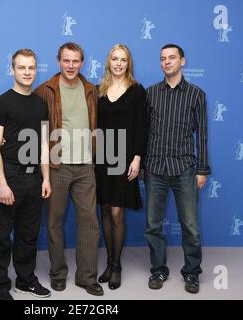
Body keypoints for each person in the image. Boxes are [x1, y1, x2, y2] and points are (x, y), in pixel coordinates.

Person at [35, 42, 103, 296]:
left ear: (82, 63)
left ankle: (87, 277)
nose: (71, 66)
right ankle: (58, 274)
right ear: (58, 61)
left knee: (89, 222)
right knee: (54, 222)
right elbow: (30, 121)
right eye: (66, 60)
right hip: (57, 165)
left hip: (86, 166)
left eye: (75, 61)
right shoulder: (45, 90)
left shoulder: (91, 90)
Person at [144, 44, 211, 294]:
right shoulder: (150, 93)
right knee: (152, 225)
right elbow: (144, 131)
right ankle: (158, 270)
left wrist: (202, 169)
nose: (167, 62)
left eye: (172, 58)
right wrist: (142, 163)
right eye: (162, 58)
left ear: (182, 61)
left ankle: (192, 273)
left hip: (184, 168)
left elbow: (201, 135)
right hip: (155, 168)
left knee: (190, 226)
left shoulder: (196, 94)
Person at [0, 48, 52, 300]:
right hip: (10, 177)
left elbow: (44, 144)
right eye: (22, 67)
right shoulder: (1, 102)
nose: (27, 72)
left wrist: (45, 178)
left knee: (28, 234)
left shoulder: (40, 104)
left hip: (34, 177)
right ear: (13, 69)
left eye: (31, 68)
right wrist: (2, 184)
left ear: (36, 70)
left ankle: (26, 280)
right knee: (2, 236)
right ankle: (0, 287)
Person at [95, 44, 146, 290]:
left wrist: (137, 158)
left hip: (125, 158)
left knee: (117, 213)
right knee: (105, 210)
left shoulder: (137, 91)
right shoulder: (98, 90)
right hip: (103, 158)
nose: (118, 63)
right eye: (114, 59)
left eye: (123, 60)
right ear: (109, 62)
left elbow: (141, 126)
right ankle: (108, 262)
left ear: (128, 63)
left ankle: (117, 266)